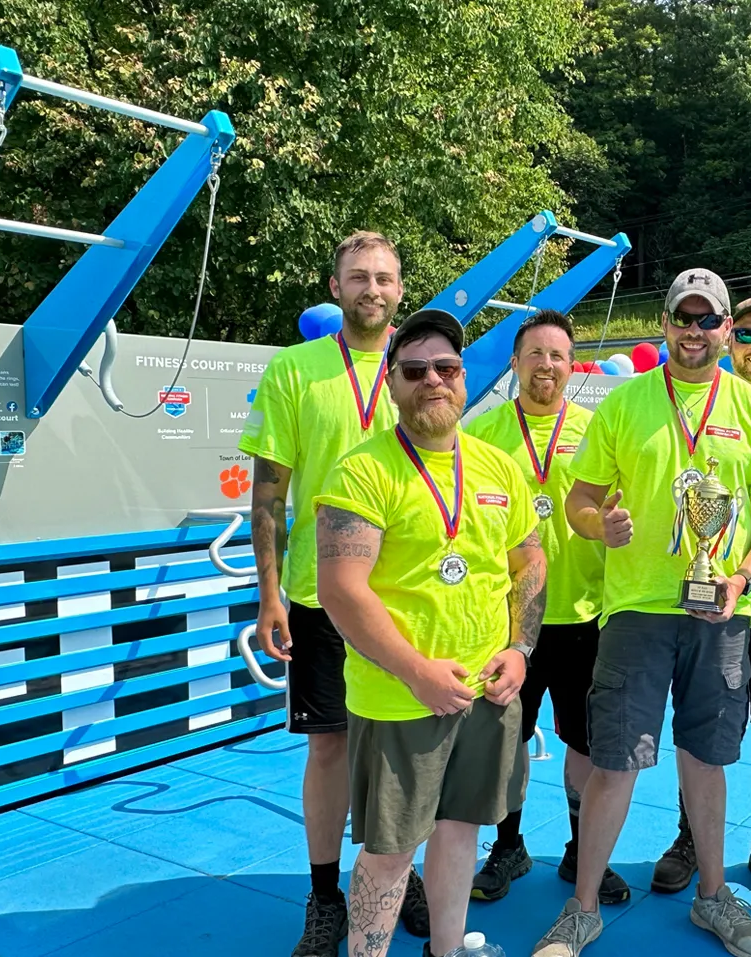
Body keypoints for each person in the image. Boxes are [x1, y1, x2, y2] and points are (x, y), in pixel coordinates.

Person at [532, 269, 751, 957]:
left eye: (707, 319)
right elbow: (579, 500)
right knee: (614, 762)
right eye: (682, 318)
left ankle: (712, 898)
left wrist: (740, 576)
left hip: (723, 612)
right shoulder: (625, 403)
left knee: (707, 760)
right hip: (635, 610)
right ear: (663, 324)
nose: (694, 331)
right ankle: (581, 909)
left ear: (725, 328)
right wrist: (600, 525)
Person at [313, 309, 546, 957]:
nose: (432, 380)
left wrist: (520, 648)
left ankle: (446, 949)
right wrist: (417, 672)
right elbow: (341, 589)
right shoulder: (362, 471)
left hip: (485, 690)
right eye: (414, 370)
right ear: (391, 383)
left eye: (445, 367)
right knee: (390, 852)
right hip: (400, 698)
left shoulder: (497, 467)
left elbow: (529, 560)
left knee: (461, 829)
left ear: (464, 378)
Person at [239, 231, 427, 957]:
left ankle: (397, 870)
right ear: (335, 287)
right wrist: (269, 595)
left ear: (400, 288)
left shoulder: (421, 366)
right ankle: (324, 896)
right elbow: (268, 493)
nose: (371, 289)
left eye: (383, 277)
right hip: (320, 597)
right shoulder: (295, 369)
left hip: (406, 594)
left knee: (403, 746)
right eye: (358, 277)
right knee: (329, 746)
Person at [650, 294, 751, 906]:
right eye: (746, 334)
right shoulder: (693, 395)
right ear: (728, 336)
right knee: (699, 725)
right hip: (706, 603)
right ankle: (690, 835)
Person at [464, 309, 630, 905]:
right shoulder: (481, 435)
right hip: (508, 621)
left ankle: (582, 850)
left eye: (557, 355)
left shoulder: (596, 430)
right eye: (535, 353)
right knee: (508, 742)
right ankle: (508, 847)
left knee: (585, 743)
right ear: (515, 362)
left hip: (586, 614)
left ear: (572, 365)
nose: (546, 365)